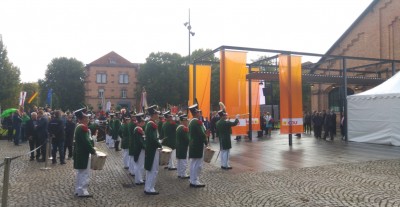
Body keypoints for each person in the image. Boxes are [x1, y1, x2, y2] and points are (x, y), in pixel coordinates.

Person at [73, 108, 97, 197]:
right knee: (84, 173)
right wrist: (93, 151)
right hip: (84, 154)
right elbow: (86, 142)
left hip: (80, 153)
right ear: (83, 119)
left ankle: (78, 190)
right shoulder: (83, 128)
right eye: (87, 118)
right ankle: (83, 191)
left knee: (80, 172)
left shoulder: (78, 127)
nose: (88, 120)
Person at [188, 104, 208, 188]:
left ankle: (192, 179)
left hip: (193, 144)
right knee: (198, 164)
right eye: (199, 112)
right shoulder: (197, 122)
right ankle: (195, 180)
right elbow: (202, 134)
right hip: (198, 145)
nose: (200, 113)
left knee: (193, 163)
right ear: (196, 113)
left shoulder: (192, 121)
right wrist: (206, 142)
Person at [144, 105, 162, 195]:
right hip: (153, 150)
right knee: (153, 169)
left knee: (150, 169)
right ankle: (150, 188)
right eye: (157, 113)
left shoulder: (150, 123)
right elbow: (152, 139)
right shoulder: (151, 124)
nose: (158, 115)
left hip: (151, 149)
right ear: (153, 114)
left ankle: (148, 187)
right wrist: (160, 145)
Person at [132, 113, 146, 185]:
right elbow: (140, 141)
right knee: (140, 165)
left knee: (139, 165)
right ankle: (139, 180)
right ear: (140, 122)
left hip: (139, 149)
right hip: (140, 149)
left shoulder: (138, 129)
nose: (144, 123)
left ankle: (139, 179)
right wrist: (145, 147)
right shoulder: (138, 129)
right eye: (143, 122)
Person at [175, 114, 190, 179]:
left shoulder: (178, 127)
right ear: (183, 121)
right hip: (183, 146)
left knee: (179, 161)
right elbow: (187, 139)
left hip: (178, 146)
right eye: (186, 121)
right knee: (184, 161)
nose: (187, 122)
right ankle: (183, 174)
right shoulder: (183, 128)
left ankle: (179, 173)